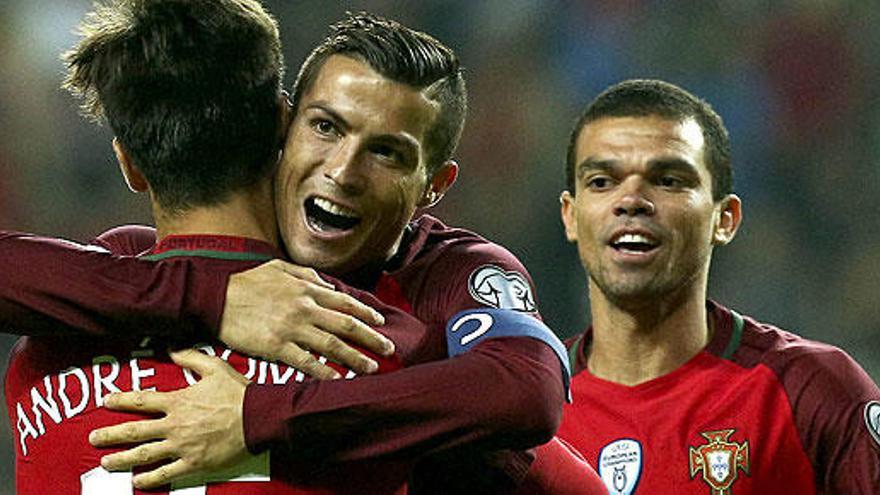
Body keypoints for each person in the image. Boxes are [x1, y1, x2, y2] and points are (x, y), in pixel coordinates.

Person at [2, 5, 597, 493]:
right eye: (327, 127)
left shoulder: (439, 280)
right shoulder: (396, 347)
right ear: (283, 124)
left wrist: (258, 416)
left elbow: (527, 389)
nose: (343, 171)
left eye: (386, 152)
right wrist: (220, 296)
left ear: (433, 188)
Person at [556, 78, 880, 493]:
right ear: (570, 215)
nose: (631, 199)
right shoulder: (524, 409)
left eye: (669, 180)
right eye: (602, 181)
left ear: (724, 219)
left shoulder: (811, 391)